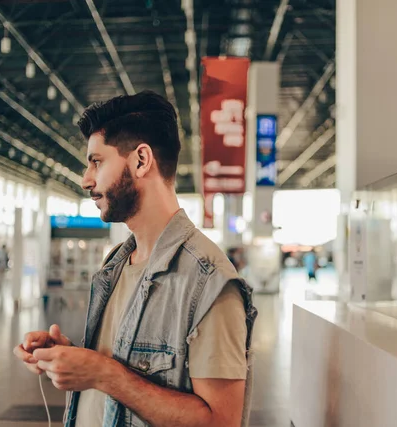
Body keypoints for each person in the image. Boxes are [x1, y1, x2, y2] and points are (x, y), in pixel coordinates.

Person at [13, 91, 257, 427]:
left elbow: (220, 421)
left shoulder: (207, 281)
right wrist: (70, 358)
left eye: (96, 161)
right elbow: (123, 366)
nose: (86, 179)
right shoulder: (116, 264)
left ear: (141, 160)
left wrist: (104, 374)